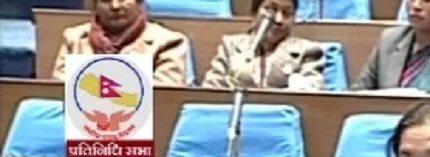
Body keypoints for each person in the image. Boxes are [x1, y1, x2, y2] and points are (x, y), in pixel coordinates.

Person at [52, 0, 189, 86]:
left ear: (139, 3)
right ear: (95, 5)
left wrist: (93, 86)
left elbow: (165, 96)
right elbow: (60, 88)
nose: (115, 6)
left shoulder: (169, 41)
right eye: (105, 0)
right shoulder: (74, 38)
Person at [202, 0, 324, 90]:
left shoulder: (308, 51)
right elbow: (212, 90)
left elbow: (307, 95)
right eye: (271, 10)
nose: (278, 20)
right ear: (254, 14)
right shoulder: (231, 46)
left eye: (287, 13)